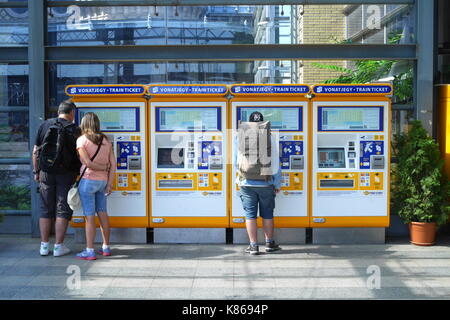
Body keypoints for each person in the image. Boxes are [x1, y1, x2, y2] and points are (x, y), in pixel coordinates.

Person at [32, 100, 82, 257]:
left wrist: (36, 171)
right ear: (72, 113)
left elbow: (35, 151)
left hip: (46, 172)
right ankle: (59, 247)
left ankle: (44, 246)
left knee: (45, 208)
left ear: (59, 112)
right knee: (63, 208)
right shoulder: (75, 129)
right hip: (66, 174)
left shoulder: (45, 125)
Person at [235, 111, 282, 255]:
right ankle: (269, 244)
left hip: (246, 183)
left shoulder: (239, 137)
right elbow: (275, 162)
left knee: (250, 215)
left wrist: (239, 179)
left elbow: (236, 163)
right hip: (266, 183)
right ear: (263, 123)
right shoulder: (270, 137)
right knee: (267, 214)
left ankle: (253, 246)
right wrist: (277, 183)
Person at [75, 112, 116, 260]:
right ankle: (106, 247)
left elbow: (88, 163)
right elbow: (113, 164)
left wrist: (100, 168)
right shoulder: (106, 140)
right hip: (102, 182)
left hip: (88, 181)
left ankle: (90, 250)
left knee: (89, 216)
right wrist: (109, 183)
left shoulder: (81, 140)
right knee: (103, 213)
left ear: (84, 124)